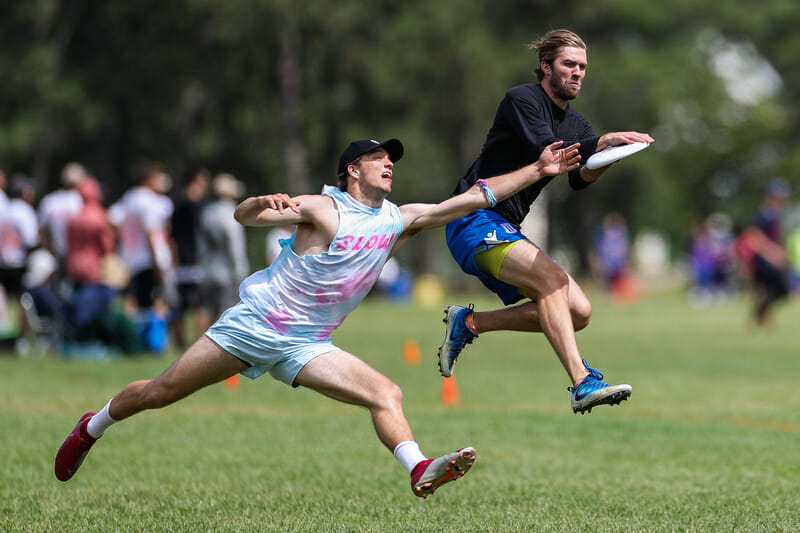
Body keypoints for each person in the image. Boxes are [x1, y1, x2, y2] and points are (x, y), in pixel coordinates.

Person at [54, 136, 581, 497]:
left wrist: (538, 170)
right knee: (160, 392)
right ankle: (92, 426)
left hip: (307, 343)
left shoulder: (400, 219)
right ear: (353, 170)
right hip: (253, 325)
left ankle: (419, 467)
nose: (389, 163)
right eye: (378, 158)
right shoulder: (322, 208)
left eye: (391, 158)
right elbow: (247, 216)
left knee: (386, 393)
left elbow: (473, 198)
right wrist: (258, 201)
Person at [438, 29, 653, 414]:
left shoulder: (580, 127)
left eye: (583, 67)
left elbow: (578, 178)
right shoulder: (523, 100)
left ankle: (470, 323)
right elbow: (549, 152)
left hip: (505, 227)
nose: (578, 73)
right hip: (472, 218)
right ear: (545, 66)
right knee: (552, 282)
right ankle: (582, 383)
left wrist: (607, 158)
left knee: (580, 312)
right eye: (569, 64)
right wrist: (600, 143)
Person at [735, 179, 791, 326]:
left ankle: (761, 316)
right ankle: (760, 315)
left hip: (772, 257)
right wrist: (774, 254)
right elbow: (755, 237)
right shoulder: (764, 214)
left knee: (775, 291)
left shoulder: (775, 214)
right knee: (779, 290)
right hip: (764, 260)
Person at [198, 173, 250, 322]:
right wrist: (240, 271)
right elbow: (234, 245)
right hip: (227, 272)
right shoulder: (232, 213)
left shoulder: (208, 212)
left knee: (210, 312)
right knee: (226, 312)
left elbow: (201, 242)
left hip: (208, 269)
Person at [170, 168, 211, 347]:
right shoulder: (198, 206)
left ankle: (180, 342)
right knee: (199, 305)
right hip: (195, 261)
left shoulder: (177, 202)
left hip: (179, 260)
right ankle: (199, 342)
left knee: (180, 305)